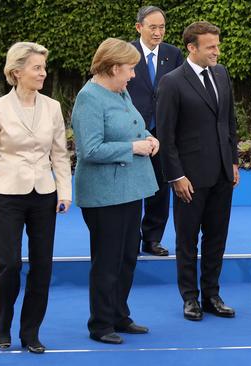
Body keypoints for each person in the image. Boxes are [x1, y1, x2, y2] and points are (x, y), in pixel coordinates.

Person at [0, 42, 72, 353]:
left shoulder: (52, 107)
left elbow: (60, 153)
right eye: (37, 67)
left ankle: (31, 333)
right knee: (9, 265)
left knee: (42, 266)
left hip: (44, 194)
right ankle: (3, 326)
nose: (43, 73)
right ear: (17, 72)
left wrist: (65, 191)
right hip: (6, 194)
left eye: (44, 67)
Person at [72, 38, 159, 344]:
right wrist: (133, 147)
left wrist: (149, 138)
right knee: (107, 260)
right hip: (104, 194)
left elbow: (133, 126)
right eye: (130, 69)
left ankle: (120, 315)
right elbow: (89, 149)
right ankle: (101, 324)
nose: (133, 75)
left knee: (126, 258)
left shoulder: (119, 91)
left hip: (130, 189)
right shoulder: (89, 98)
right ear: (111, 68)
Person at [157, 21, 239, 321]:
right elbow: (166, 136)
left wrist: (232, 161)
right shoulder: (172, 82)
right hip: (188, 178)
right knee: (187, 240)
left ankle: (212, 295)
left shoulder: (221, 73)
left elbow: (229, 122)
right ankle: (189, 298)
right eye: (211, 47)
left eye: (217, 45)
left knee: (217, 237)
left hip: (221, 174)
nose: (217, 52)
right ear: (192, 48)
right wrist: (176, 176)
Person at [127, 5, 183, 257]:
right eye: (153, 27)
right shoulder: (126, 53)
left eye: (162, 27)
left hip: (163, 131)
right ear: (139, 27)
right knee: (129, 188)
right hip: (129, 131)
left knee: (160, 188)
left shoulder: (173, 54)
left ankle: (152, 239)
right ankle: (128, 239)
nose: (158, 32)